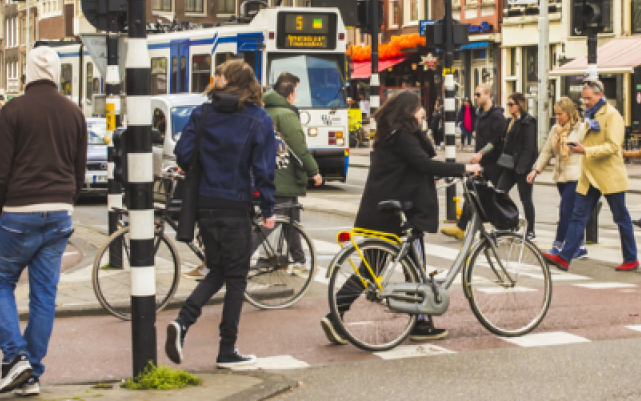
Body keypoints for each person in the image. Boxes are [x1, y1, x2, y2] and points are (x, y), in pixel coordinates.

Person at [321, 91, 482, 344]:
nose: (422, 114)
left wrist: (420, 132)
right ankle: (419, 325)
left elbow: (417, 161)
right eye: (419, 110)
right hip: (399, 214)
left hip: (380, 210)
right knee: (414, 269)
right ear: (409, 112)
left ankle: (335, 317)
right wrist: (464, 168)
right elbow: (425, 164)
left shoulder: (391, 135)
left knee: (372, 270)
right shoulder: (403, 137)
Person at [0, 46, 87, 395]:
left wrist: (0, 208)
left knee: (0, 283)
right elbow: (79, 170)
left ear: (27, 72)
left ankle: (17, 359)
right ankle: (33, 373)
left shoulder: (13, 110)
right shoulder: (74, 112)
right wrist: (66, 201)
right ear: (57, 73)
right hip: (59, 212)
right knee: (44, 295)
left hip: (19, 210)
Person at [166, 60, 277, 370]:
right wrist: (268, 210)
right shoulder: (258, 119)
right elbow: (264, 169)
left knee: (217, 269)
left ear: (222, 83)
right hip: (235, 205)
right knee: (237, 278)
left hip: (204, 205)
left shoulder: (201, 114)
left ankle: (183, 322)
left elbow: (184, 155)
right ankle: (227, 350)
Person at [543, 80, 639, 272]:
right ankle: (564, 257)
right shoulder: (590, 114)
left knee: (621, 217)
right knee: (578, 216)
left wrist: (585, 150)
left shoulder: (612, 115)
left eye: (589, 98)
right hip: (589, 175)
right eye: (584, 98)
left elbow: (614, 146)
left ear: (600, 95)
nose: (585, 101)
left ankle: (631, 258)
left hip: (609, 174)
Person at [264, 72, 323, 270]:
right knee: (270, 221)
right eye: (296, 91)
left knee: (291, 220)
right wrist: (313, 171)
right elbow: (298, 147)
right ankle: (239, 260)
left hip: (269, 171)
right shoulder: (286, 115)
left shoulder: (264, 110)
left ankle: (299, 260)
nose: (296, 96)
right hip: (284, 175)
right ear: (289, 94)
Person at [442, 83, 506, 240]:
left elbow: (496, 139)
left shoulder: (497, 115)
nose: (475, 98)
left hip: (494, 163)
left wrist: (481, 153)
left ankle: (508, 225)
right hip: (482, 163)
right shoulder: (480, 114)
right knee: (472, 192)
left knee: (500, 196)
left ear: (488, 95)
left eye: (478, 94)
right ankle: (461, 228)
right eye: (475, 94)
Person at [529, 97, 589, 259]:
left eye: (560, 114)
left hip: (576, 176)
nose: (558, 117)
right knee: (572, 213)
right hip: (561, 178)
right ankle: (581, 246)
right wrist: (536, 170)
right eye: (556, 114)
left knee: (565, 211)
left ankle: (558, 245)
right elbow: (547, 152)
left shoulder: (581, 129)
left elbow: (589, 149)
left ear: (569, 113)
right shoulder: (555, 130)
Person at [492, 92, 538, 241]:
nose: (509, 107)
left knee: (526, 199)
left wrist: (523, 167)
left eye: (511, 104)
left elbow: (529, 147)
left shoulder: (528, 122)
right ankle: (514, 221)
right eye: (508, 104)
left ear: (519, 105)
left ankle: (530, 231)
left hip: (522, 167)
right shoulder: (510, 122)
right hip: (509, 165)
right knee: (499, 192)